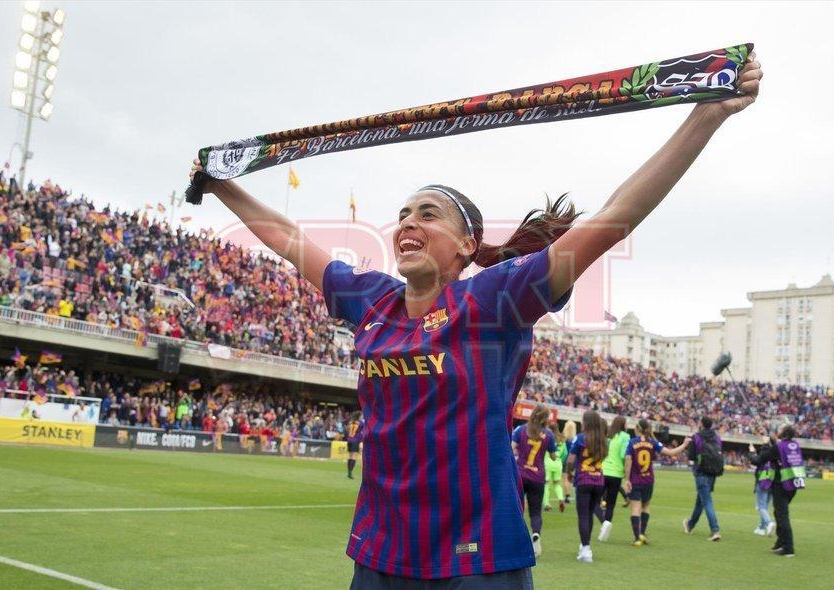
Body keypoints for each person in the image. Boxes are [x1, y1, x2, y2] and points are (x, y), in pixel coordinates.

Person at [189, 53, 761, 587]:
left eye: (427, 214)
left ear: (467, 245)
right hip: (380, 551)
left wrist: (706, 116)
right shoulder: (372, 301)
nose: (407, 222)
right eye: (402, 214)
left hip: (478, 556)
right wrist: (221, 185)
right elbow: (289, 239)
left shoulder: (494, 300)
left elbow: (616, 217)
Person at [622, 419, 690, 546]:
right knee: (646, 506)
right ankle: (642, 533)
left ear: (637, 429)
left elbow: (628, 460)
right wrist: (684, 444)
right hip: (648, 480)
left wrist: (627, 479)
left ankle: (637, 538)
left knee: (635, 508)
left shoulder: (632, 442)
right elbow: (670, 453)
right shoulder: (653, 442)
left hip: (635, 480)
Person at [749, 423, 805, 557]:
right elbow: (778, 448)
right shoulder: (794, 445)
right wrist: (768, 438)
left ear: (784, 434)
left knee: (782, 515)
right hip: (793, 484)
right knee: (779, 513)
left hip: (781, 484)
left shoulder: (778, 447)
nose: (777, 430)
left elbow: (759, 460)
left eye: (780, 429)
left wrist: (753, 451)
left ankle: (788, 548)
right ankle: (780, 543)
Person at [510, 404, 557, 557]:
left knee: (518, 508)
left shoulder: (521, 429)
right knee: (536, 512)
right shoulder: (549, 435)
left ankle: (516, 539)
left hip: (520, 474)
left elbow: (512, 447)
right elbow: (553, 456)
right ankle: (536, 534)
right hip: (537, 476)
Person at [564, 411, 608, 563]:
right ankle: (585, 546)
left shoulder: (581, 438)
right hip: (598, 480)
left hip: (584, 479)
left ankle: (586, 548)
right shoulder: (603, 440)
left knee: (583, 515)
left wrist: (569, 473)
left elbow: (570, 459)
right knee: (589, 514)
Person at [682, 416, 724, 541]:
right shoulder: (717, 437)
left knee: (706, 501)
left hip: (701, 472)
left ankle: (715, 529)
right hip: (713, 472)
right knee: (700, 501)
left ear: (701, 424)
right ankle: (690, 525)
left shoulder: (697, 437)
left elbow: (691, 456)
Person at [596, 415, 630, 542]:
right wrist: (627, 473)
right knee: (611, 503)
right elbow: (623, 455)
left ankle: (603, 522)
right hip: (616, 473)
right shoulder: (625, 436)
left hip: (604, 470)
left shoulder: (608, 435)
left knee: (595, 501)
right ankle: (606, 524)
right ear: (622, 424)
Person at [746, 435, 776, 537]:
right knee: (765, 506)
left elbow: (756, 460)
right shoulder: (776, 451)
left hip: (763, 480)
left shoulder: (766, 451)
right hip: (772, 481)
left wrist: (752, 451)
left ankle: (769, 523)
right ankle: (762, 528)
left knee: (761, 506)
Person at [543, 418, 571, 512]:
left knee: (546, 484)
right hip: (558, 463)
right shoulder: (562, 439)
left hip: (548, 462)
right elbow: (566, 453)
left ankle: (546, 503)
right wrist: (560, 460)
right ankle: (561, 499)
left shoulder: (548, 437)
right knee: (556, 484)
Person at [345, 413, 364, 479]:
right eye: (361, 416)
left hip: (349, 440)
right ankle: (350, 473)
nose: (362, 416)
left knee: (350, 456)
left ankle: (348, 472)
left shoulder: (350, 422)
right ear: (359, 416)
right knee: (354, 456)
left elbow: (347, 430)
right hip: (355, 441)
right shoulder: (361, 423)